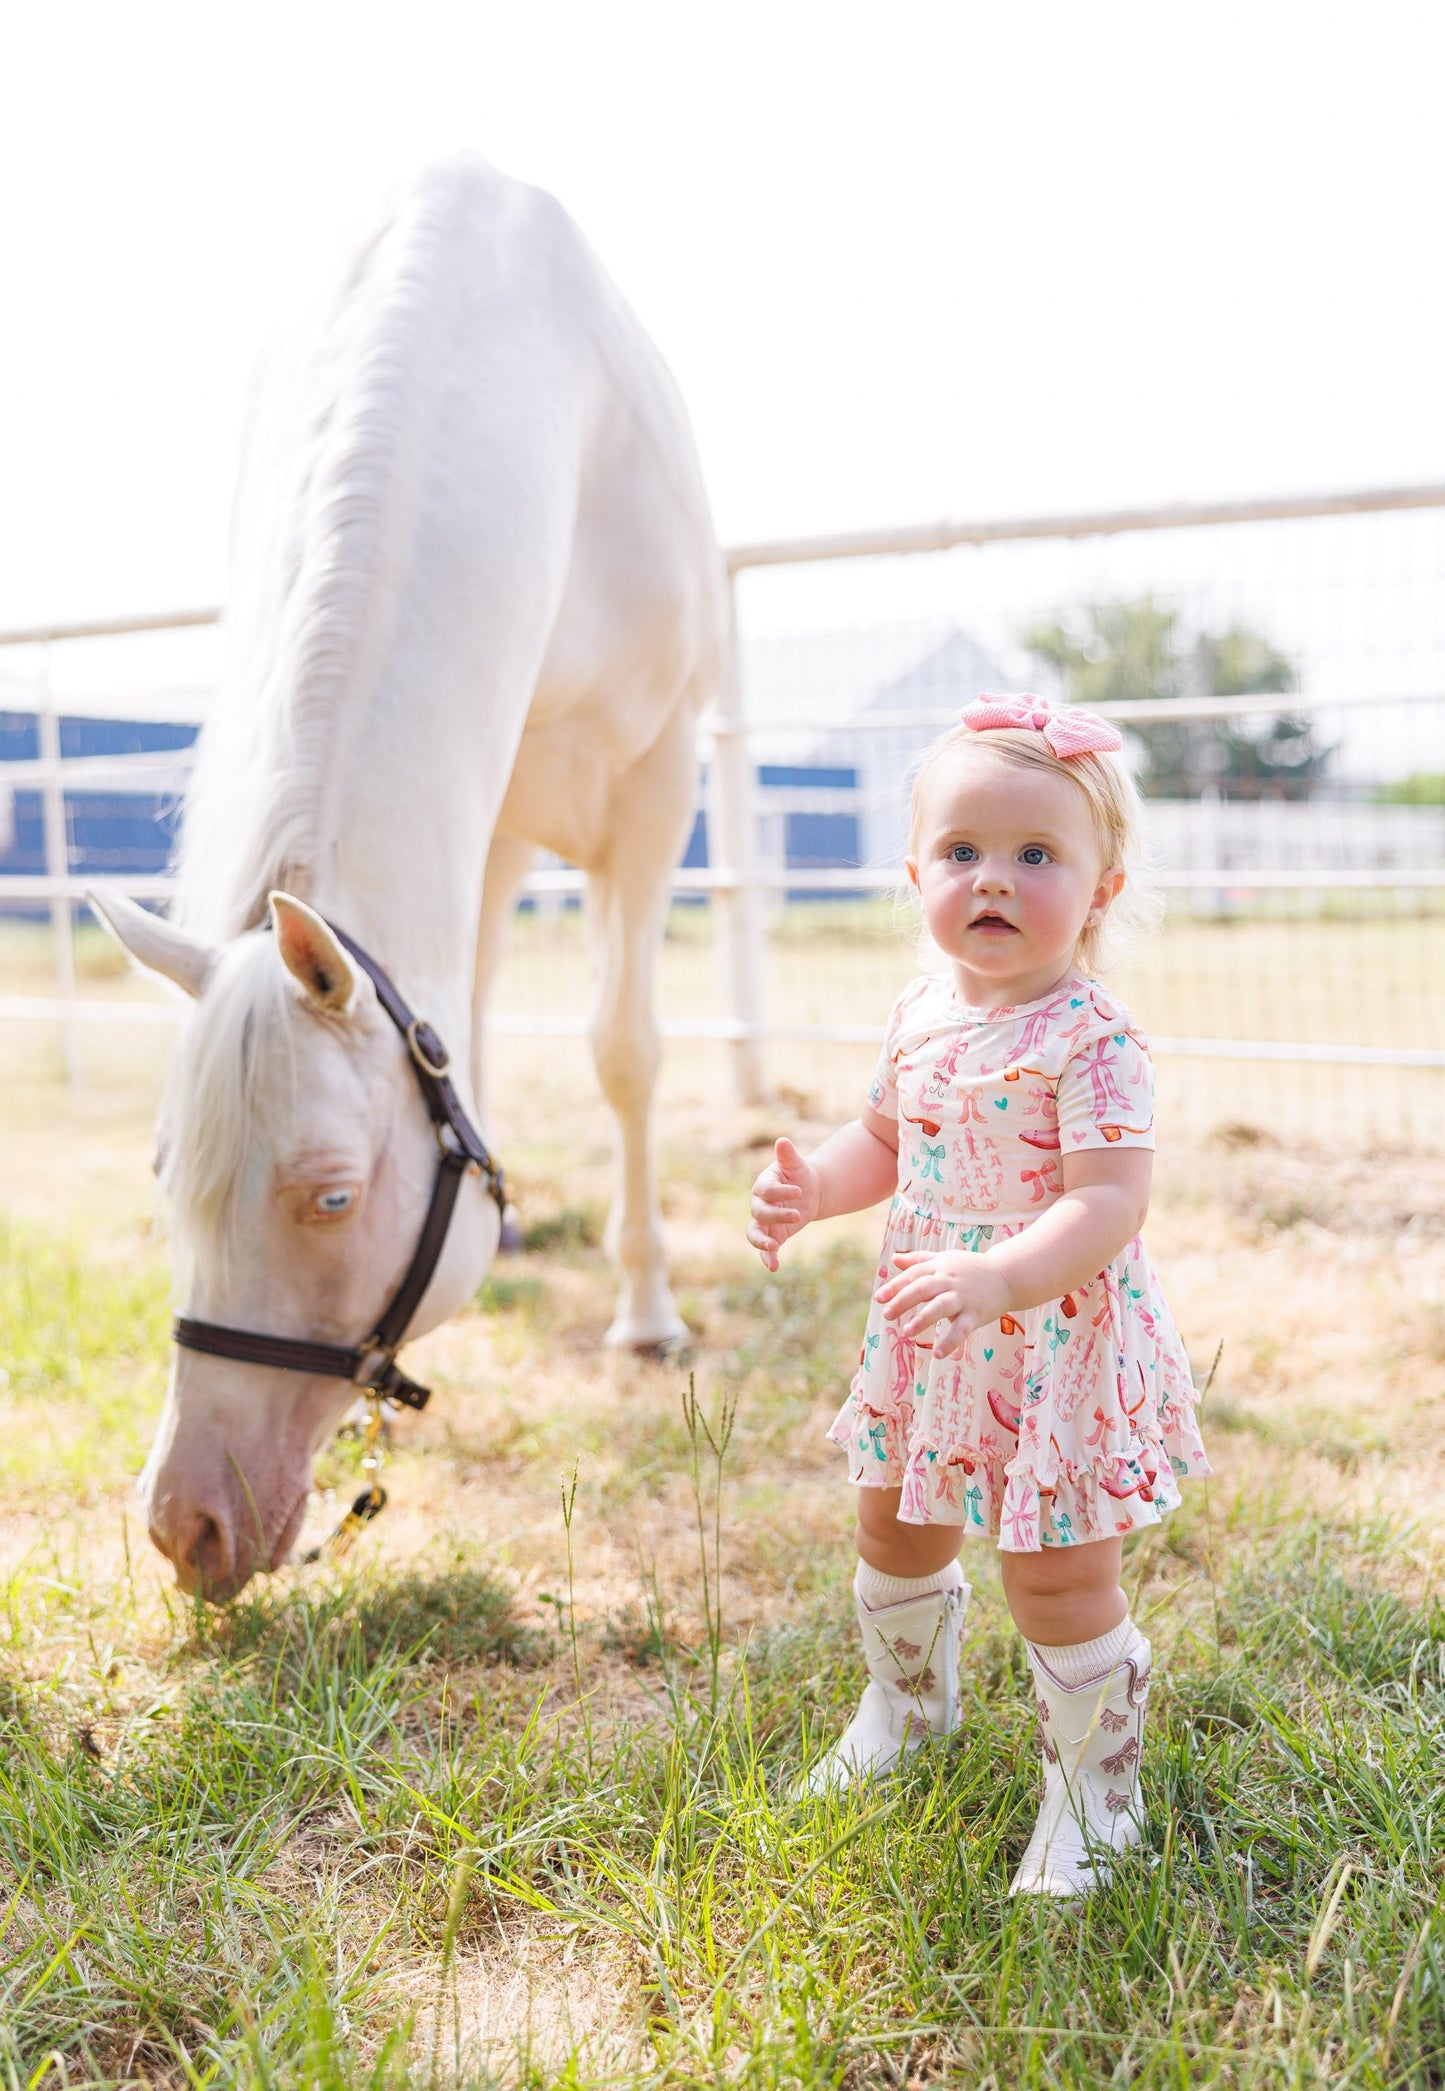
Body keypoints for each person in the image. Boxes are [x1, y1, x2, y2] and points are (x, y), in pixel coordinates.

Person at [746, 692, 1209, 1900]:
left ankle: (1093, 1791)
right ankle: (906, 1709)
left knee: (1055, 1573)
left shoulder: (1091, 1036)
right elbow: (882, 1143)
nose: (990, 879)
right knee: (890, 1526)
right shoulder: (918, 1015)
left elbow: (1108, 1202)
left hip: (1051, 1341)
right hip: (928, 1334)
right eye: (961, 853)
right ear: (914, 873)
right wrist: (811, 1191)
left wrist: (1000, 1276)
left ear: (1100, 886)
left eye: (1034, 856)